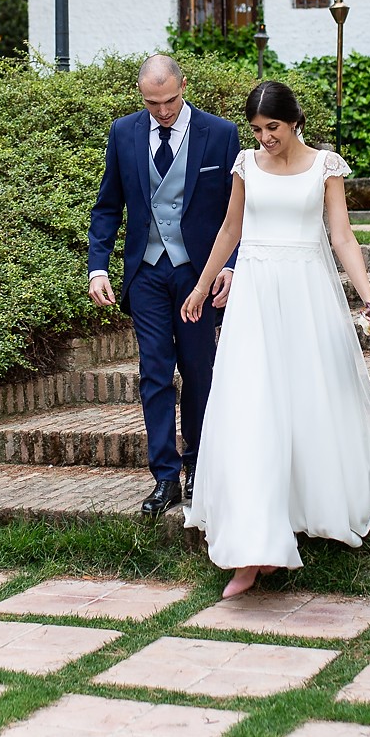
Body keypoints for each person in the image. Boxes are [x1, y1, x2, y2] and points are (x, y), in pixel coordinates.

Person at [179, 81, 370, 598]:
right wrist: (203, 285)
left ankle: (303, 508)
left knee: (308, 403)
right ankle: (253, 548)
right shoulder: (245, 166)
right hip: (255, 298)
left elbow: (341, 236)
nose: (265, 138)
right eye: (257, 129)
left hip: (306, 296)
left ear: (295, 121)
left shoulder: (326, 167)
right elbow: (229, 232)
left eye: (272, 127)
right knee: (253, 410)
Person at [88, 55, 241, 518]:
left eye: (170, 100)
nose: (163, 111)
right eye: (152, 103)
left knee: (198, 371)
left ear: (183, 86)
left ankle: (198, 465)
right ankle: (165, 477)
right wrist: (98, 268)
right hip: (147, 273)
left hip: (198, 274)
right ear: (141, 95)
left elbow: (238, 213)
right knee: (154, 373)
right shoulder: (123, 133)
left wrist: (230, 265)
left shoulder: (221, 134)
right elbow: (107, 206)